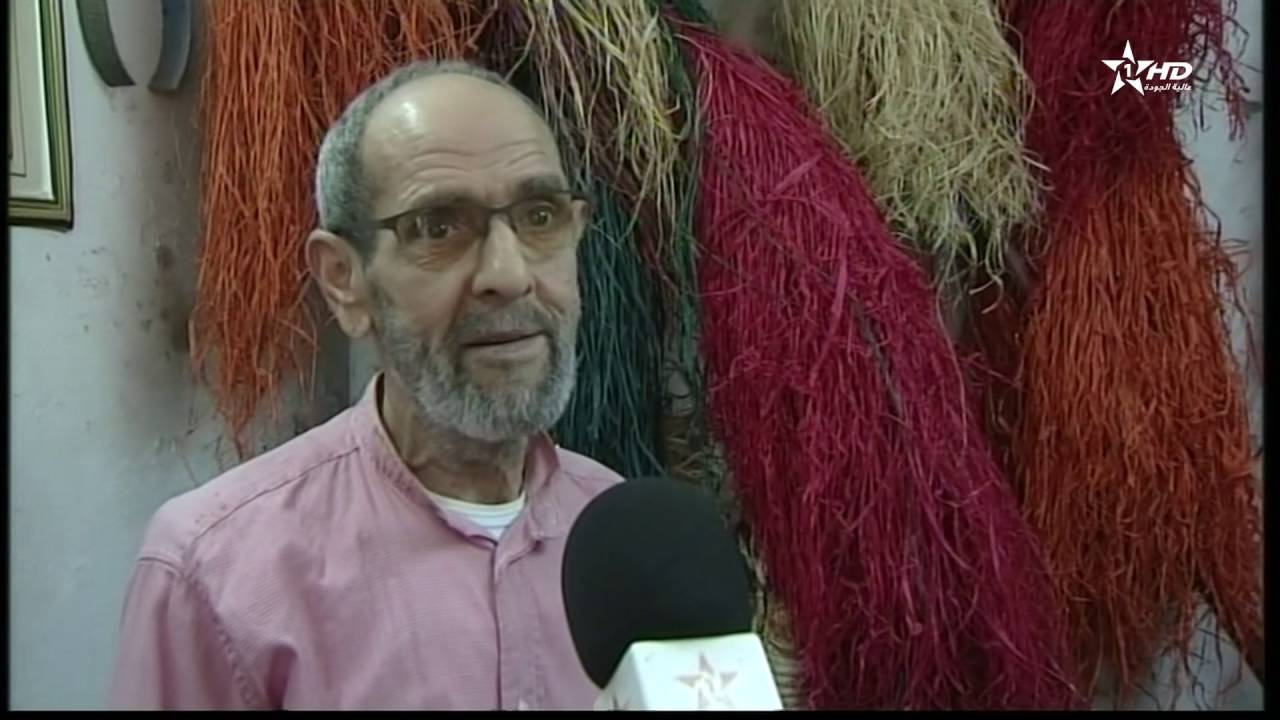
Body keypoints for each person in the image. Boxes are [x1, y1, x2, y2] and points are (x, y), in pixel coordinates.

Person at [109, 60, 623, 710]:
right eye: (438, 227)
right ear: (344, 281)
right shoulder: (213, 571)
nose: (509, 274)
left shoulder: (621, 536)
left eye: (540, 215)